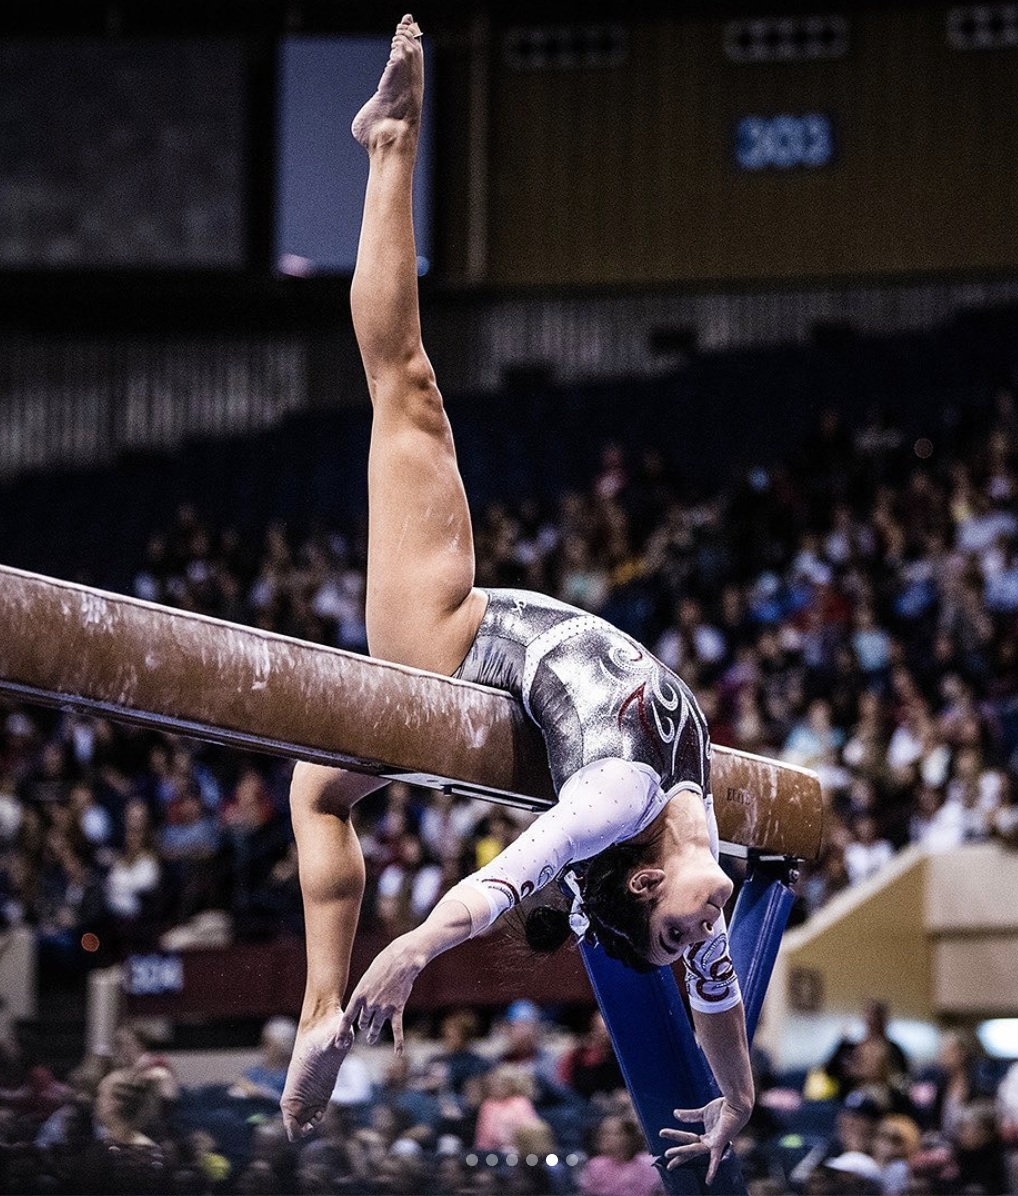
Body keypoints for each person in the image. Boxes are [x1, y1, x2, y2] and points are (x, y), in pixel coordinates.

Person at [280, 17, 753, 1185]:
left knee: (408, 391)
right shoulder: (690, 826)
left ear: (641, 879)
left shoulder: (616, 798)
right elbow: (720, 1012)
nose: (707, 937)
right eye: (697, 941)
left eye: (683, 929)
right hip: (489, 631)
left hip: (447, 646)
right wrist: (736, 1097)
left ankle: (389, 143)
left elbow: (511, 875)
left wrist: (414, 951)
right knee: (316, 785)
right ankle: (318, 999)